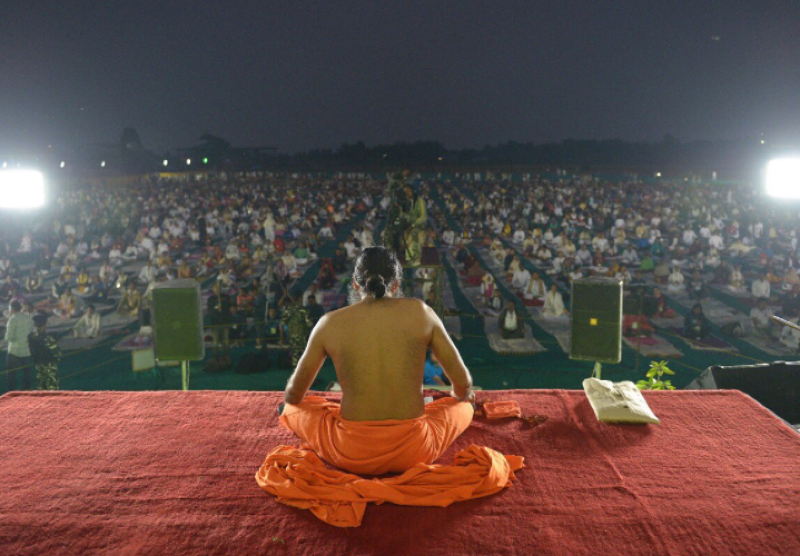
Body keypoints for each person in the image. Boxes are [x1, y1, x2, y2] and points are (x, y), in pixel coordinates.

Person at [280, 246, 474, 476]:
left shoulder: (329, 323)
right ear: (396, 284)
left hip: (351, 452)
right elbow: (463, 385)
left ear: (354, 283)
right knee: (464, 405)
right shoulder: (421, 312)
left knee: (292, 409)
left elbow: (294, 395)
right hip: (413, 451)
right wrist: (461, 398)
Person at [4, 300, 35, 391]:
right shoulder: (28, 318)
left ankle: (12, 394)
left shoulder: (12, 320)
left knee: (11, 374)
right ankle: (27, 392)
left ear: (12, 308)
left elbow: (9, 337)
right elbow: (31, 333)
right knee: (27, 374)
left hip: (14, 351)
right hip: (26, 350)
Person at [28, 313, 62, 390]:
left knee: (41, 387)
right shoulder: (47, 338)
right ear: (44, 324)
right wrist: (57, 358)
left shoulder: (31, 336)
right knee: (52, 387)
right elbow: (57, 353)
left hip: (38, 365)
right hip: (49, 365)